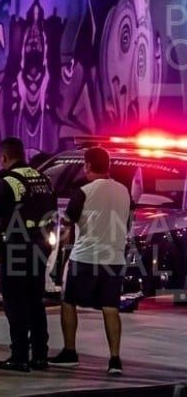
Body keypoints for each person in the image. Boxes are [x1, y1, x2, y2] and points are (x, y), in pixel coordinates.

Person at [48, 147, 133, 376]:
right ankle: (114, 360)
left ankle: (70, 352)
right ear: (108, 166)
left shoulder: (83, 192)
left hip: (85, 257)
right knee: (110, 308)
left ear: (87, 165)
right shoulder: (124, 191)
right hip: (114, 259)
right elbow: (127, 222)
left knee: (68, 302)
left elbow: (67, 222)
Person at [0, 137, 57, 372]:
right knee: (35, 300)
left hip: (16, 246)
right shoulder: (42, 178)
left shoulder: (5, 180)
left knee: (15, 302)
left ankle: (19, 356)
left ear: (4, 157)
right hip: (40, 245)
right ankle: (40, 355)